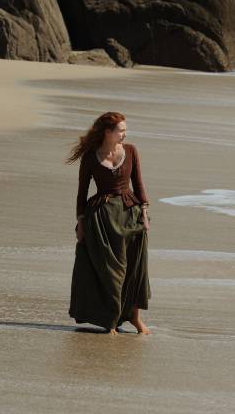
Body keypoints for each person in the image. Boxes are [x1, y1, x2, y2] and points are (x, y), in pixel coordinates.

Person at [65, 111, 152, 335]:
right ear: (108, 132)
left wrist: (144, 211)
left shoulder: (131, 151)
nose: (125, 134)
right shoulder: (90, 157)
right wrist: (81, 222)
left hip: (130, 216)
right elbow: (81, 193)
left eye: (125, 130)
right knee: (111, 272)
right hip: (102, 220)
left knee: (134, 270)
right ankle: (110, 320)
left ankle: (134, 317)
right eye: (121, 130)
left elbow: (139, 183)